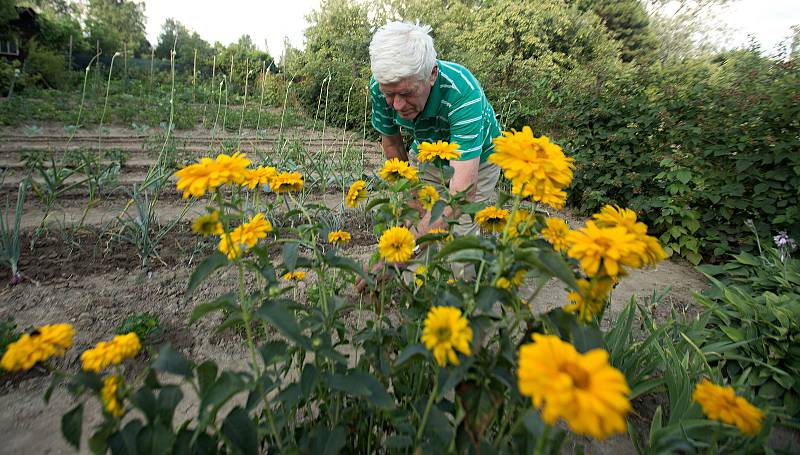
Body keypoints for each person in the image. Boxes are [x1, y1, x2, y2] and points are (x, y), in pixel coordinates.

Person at [361, 21, 502, 286]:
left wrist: (408, 248)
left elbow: (462, 194)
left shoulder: (464, 93)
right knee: (416, 221)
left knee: (460, 236)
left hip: (479, 160)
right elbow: (392, 143)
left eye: (406, 93)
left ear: (432, 74)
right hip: (428, 152)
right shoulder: (382, 87)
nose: (398, 105)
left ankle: (466, 301)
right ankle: (422, 298)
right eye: (390, 95)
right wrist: (413, 200)